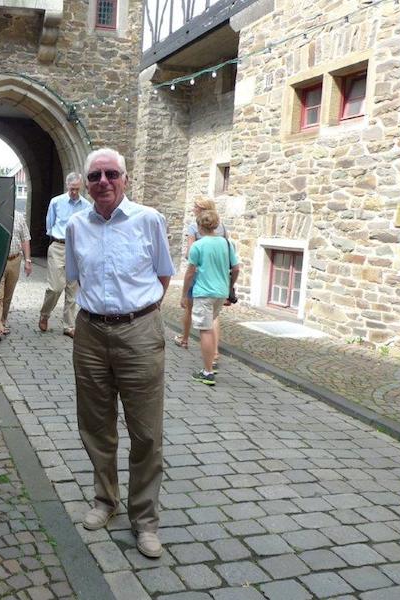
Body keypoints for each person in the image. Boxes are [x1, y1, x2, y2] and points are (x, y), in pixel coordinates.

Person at [65, 148, 175, 558]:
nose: (103, 182)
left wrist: (135, 314)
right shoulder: (76, 225)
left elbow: (163, 276)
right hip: (91, 333)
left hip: (140, 331)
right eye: (95, 176)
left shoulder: (149, 220)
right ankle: (105, 500)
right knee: (96, 425)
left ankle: (144, 520)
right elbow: (76, 278)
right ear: (86, 183)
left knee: (146, 432)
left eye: (111, 174)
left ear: (125, 179)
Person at [181, 209, 240, 386]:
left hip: (204, 292)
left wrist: (184, 294)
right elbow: (236, 268)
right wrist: (229, 286)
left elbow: (190, 272)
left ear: (199, 226)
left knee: (205, 330)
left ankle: (207, 372)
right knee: (211, 324)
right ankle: (212, 359)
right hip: (220, 293)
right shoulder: (226, 244)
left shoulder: (197, 246)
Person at [174, 198, 227, 368]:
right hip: (220, 280)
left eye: (196, 206)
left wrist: (183, 293)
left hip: (200, 279)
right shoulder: (222, 227)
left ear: (202, 210)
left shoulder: (194, 227)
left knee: (190, 309)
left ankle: (185, 339)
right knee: (214, 317)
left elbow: (190, 255)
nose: (193, 208)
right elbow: (230, 258)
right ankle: (215, 352)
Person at [39, 173, 89, 338]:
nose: (74, 192)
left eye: (77, 189)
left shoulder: (87, 206)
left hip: (76, 249)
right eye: (72, 189)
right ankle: (45, 314)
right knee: (55, 287)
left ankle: (69, 325)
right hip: (58, 246)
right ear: (67, 186)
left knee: (72, 290)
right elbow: (50, 224)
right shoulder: (56, 202)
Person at [0, 210, 32, 343]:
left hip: (15, 260)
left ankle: (2, 322)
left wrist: (28, 260)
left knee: (8, 295)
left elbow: (25, 239)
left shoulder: (19, 217)